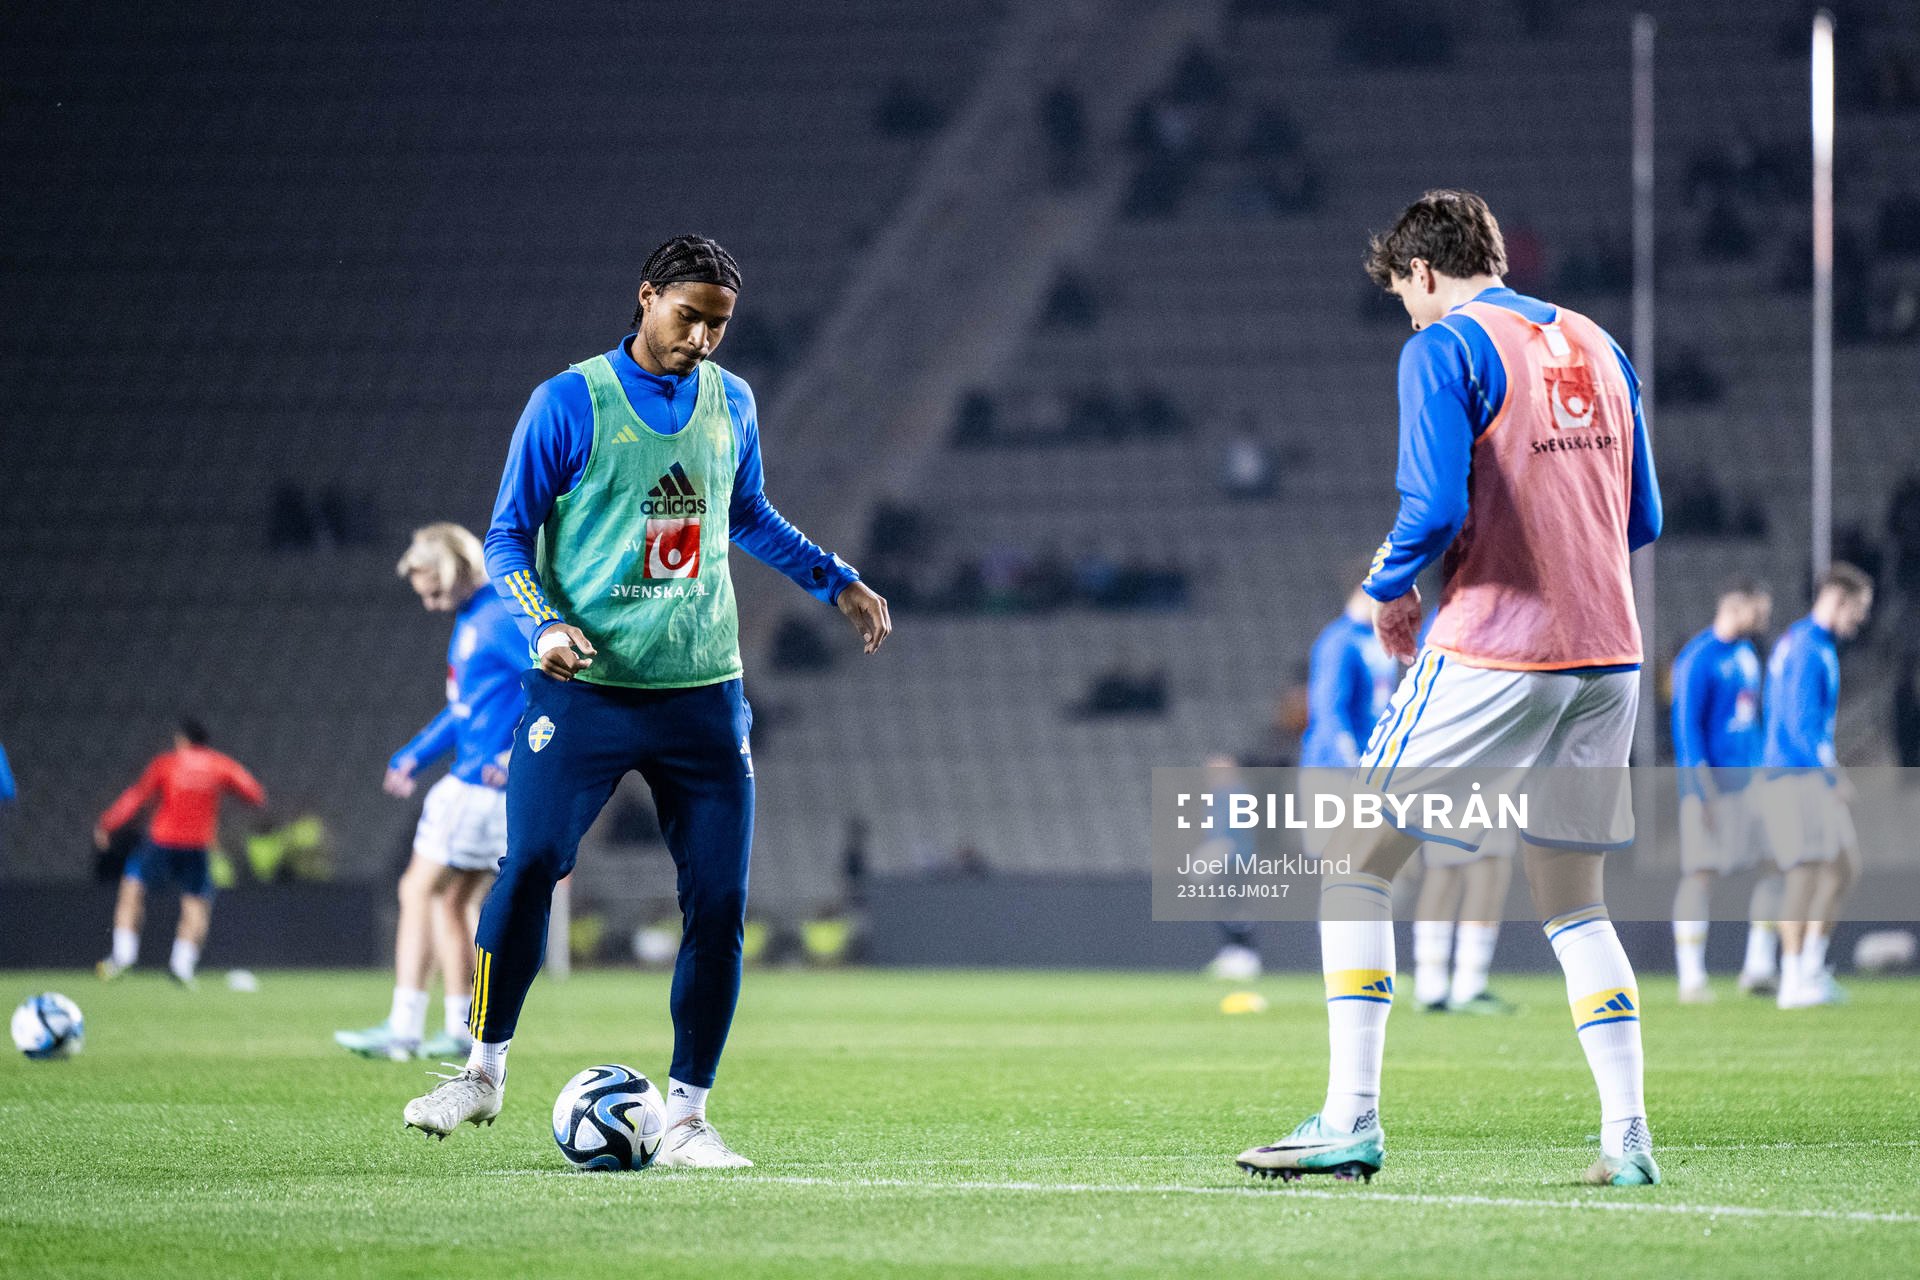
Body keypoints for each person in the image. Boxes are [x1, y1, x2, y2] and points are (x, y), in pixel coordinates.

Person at [402, 236, 892, 1167]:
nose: (702, 338)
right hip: (582, 690)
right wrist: (542, 622)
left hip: (703, 697)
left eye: (719, 325)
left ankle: (689, 1120)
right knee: (533, 857)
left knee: (717, 901)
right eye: (688, 316)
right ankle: (481, 1069)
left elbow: (745, 514)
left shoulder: (732, 401)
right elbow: (506, 537)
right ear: (646, 298)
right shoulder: (569, 402)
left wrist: (837, 580)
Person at [1234, 190, 1663, 1187]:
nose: (1408, 316)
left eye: (1403, 297)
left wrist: (1389, 592)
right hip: (1612, 654)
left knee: (1354, 853)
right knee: (1573, 901)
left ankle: (1350, 1116)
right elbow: (1640, 516)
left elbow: (1429, 505)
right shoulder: (1601, 343)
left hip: (1502, 644)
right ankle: (1628, 1135)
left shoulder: (1443, 346)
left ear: (1423, 272)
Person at [335, 524, 531, 1061]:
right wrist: (415, 755)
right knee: (454, 901)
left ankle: (408, 1027)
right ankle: (458, 1025)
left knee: (418, 891)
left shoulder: (496, 618)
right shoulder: (478, 617)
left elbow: (553, 681)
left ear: (453, 569)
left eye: (431, 587)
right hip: (479, 784)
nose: (427, 601)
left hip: (476, 789)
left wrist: (514, 754)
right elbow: (464, 709)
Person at [1759, 563, 1873, 1010]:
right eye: (1858, 610)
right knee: (1804, 873)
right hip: (1794, 775)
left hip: (1799, 772)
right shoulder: (1809, 649)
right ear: (1837, 600)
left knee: (1843, 868)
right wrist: (1831, 775)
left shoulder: (1804, 641)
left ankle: (1808, 968)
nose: (1860, 621)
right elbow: (1800, 724)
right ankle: (1792, 979)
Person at [1669, 578, 1777, 1003]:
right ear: (1735, 606)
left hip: (1751, 785)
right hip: (1711, 788)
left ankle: (1759, 967)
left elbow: (1753, 724)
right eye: (1759, 610)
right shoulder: (1697, 659)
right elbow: (1687, 731)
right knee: (1700, 875)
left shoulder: (1749, 656)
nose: (1763, 619)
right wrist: (1702, 791)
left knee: (1776, 867)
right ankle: (1691, 977)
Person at [94, 719, 266, 985]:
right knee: (196, 903)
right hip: (197, 844)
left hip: (162, 841)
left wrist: (108, 823)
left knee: (132, 889)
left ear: (181, 740)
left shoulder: (167, 763)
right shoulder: (220, 764)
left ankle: (124, 955)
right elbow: (254, 794)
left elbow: (137, 796)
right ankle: (182, 964)